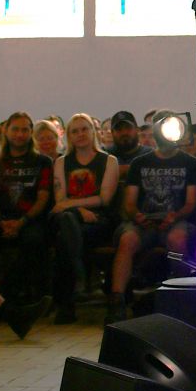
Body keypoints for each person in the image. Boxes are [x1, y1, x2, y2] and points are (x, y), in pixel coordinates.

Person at [109, 109, 196, 324]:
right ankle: (116, 301)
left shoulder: (189, 163)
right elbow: (129, 201)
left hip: (176, 221)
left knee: (177, 239)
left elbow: (191, 202)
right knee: (127, 239)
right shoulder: (140, 163)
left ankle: (181, 296)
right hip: (143, 223)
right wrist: (137, 215)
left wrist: (174, 216)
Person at [51, 113, 119, 324]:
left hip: (98, 221)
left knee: (64, 238)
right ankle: (79, 275)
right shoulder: (62, 162)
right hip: (71, 217)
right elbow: (59, 201)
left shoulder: (108, 161)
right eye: (74, 131)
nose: (80, 134)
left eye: (84, 129)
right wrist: (80, 210)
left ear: (93, 132)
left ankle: (66, 304)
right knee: (66, 221)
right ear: (69, 136)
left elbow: (104, 199)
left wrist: (74, 208)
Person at [0, 112, 53, 307]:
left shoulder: (43, 162)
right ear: (6, 131)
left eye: (25, 129)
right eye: (15, 129)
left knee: (33, 240)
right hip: (0, 219)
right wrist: (2, 221)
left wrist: (21, 222)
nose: (20, 134)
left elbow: (43, 198)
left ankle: (5, 295)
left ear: (31, 132)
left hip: (31, 220)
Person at [107, 111, 153, 179]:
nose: (124, 133)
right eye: (119, 129)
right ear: (112, 132)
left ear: (137, 130)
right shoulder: (104, 155)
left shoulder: (150, 155)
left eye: (128, 128)